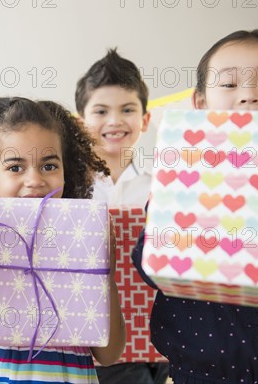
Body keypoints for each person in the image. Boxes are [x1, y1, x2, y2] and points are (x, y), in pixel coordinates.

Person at [132, 29, 258, 383]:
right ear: (200, 103)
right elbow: (151, 269)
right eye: (229, 85)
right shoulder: (179, 176)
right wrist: (165, 220)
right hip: (208, 372)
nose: (248, 96)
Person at [0, 95, 126, 383]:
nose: (34, 180)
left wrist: (104, 274)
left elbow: (109, 354)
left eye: (49, 166)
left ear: (66, 170)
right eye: (15, 167)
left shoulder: (81, 236)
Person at [76, 49, 169, 384]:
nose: (114, 121)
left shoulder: (163, 187)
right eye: (101, 111)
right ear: (80, 121)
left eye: (127, 109)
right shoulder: (69, 193)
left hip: (156, 341)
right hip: (96, 345)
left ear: (145, 120)